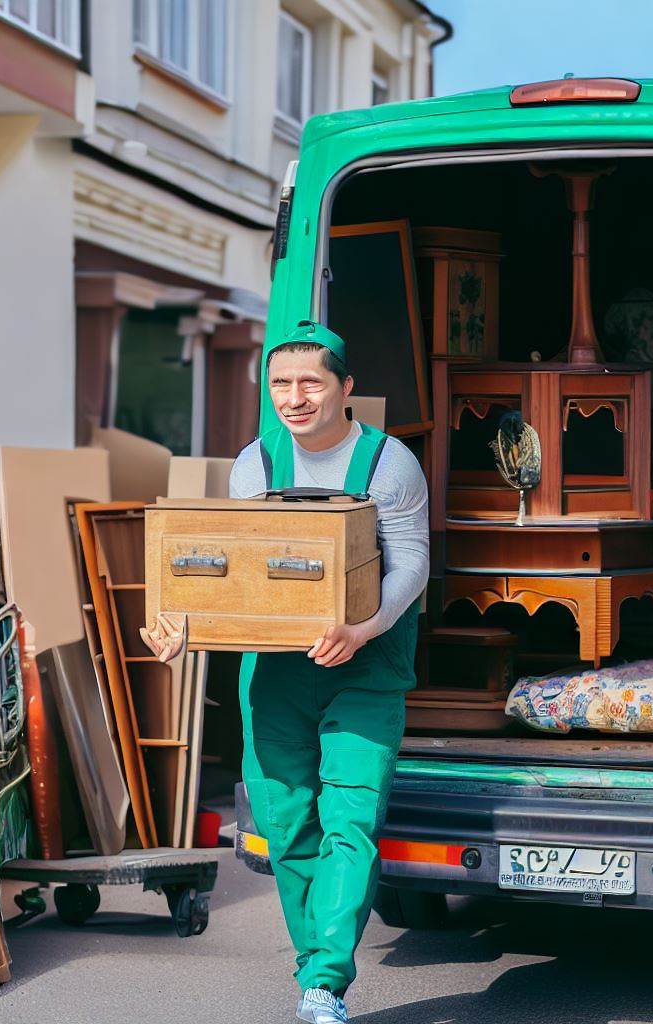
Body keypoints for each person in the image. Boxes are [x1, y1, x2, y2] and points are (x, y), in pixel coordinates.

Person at [229, 319, 429, 1024]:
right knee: (286, 825)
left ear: (346, 387)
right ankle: (314, 963)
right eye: (280, 383)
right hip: (276, 671)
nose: (294, 396)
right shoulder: (254, 464)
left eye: (310, 381)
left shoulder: (388, 463)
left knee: (350, 817)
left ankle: (324, 985)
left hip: (365, 664)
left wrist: (363, 629)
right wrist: (181, 627)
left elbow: (411, 563)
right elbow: (237, 569)